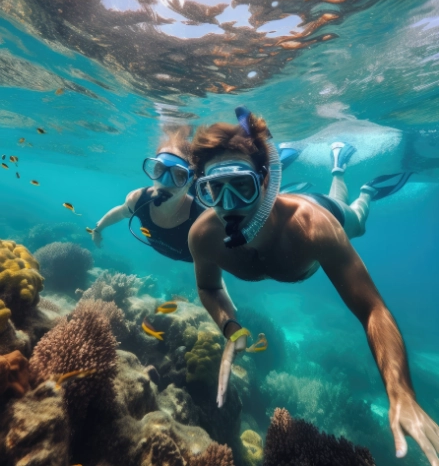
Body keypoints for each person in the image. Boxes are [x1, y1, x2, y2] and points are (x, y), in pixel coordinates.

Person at [188, 106, 439, 465]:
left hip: (324, 209)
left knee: (357, 219)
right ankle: (333, 168)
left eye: (241, 186)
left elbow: (372, 309)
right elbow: (209, 288)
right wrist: (229, 326)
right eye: (214, 189)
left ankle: (354, 179)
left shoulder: (312, 227)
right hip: (284, 204)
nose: (229, 207)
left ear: (264, 180)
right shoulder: (203, 236)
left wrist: (400, 390)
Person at [92, 125, 205, 262]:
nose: (165, 181)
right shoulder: (138, 199)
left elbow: (214, 260)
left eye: (179, 175)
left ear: (189, 180)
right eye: (159, 169)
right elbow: (121, 212)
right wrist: (98, 229)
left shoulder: (201, 218)